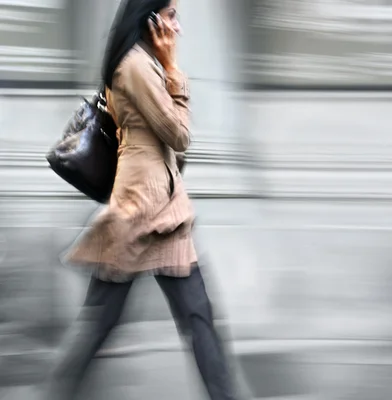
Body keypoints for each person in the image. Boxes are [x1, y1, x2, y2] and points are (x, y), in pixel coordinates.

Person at [41, 1, 237, 399]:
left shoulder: (142, 63)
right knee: (106, 322)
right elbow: (179, 135)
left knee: (192, 316)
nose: (177, 28)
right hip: (143, 211)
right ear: (149, 19)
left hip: (158, 207)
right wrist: (175, 68)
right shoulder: (135, 66)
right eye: (171, 17)